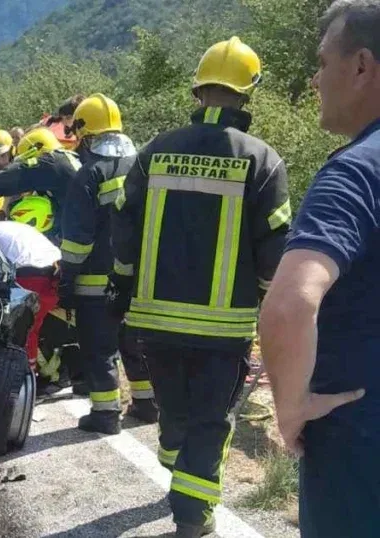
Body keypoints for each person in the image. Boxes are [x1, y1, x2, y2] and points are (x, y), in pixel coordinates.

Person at [112, 37, 292, 537]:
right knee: (211, 421)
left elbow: (124, 229)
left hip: (153, 321)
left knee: (175, 412)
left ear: (198, 90)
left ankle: (179, 468)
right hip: (223, 328)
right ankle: (192, 515)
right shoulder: (263, 160)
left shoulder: (154, 152)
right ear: (248, 92)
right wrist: (263, 299)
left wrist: (120, 287)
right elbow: (273, 248)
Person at [258, 3, 380, 536]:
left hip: (360, 450)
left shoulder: (355, 175)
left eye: (322, 61)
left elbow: (289, 305)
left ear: (361, 66)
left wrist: (291, 408)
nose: (313, 79)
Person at [58, 93, 156, 435]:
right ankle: (147, 404)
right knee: (135, 343)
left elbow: (77, 240)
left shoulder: (89, 174)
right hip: (140, 281)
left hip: (96, 285)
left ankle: (105, 413)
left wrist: (66, 278)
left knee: (99, 348)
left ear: (85, 134)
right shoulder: (144, 166)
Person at [0, 127, 80, 245]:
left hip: (75, 231)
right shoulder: (64, 159)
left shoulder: (49, 162)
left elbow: (3, 181)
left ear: (35, 151)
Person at [0, 217, 62, 375]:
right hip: (54, 275)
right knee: (31, 329)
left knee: (20, 329)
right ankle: (29, 374)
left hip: (29, 277)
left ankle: (23, 377)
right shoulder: (4, 228)